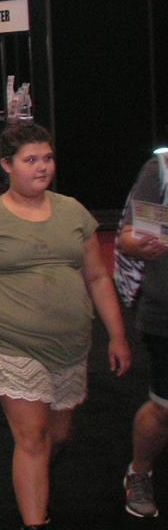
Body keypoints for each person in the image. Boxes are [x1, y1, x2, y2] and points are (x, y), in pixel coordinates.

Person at [0, 122, 130, 530]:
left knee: (59, 435)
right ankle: (35, 519)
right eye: (31, 159)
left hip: (71, 343)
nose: (42, 167)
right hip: (10, 343)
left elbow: (97, 277)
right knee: (33, 438)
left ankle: (33, 480)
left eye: (47, 158)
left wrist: (118, 336)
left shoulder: (73, 212)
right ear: (7, 165)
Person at [117, 150, 168, 519]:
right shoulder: (162, 167)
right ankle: (140, 471)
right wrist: (149, 241)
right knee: (164, 407)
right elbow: (129, 239)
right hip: (165, 311)